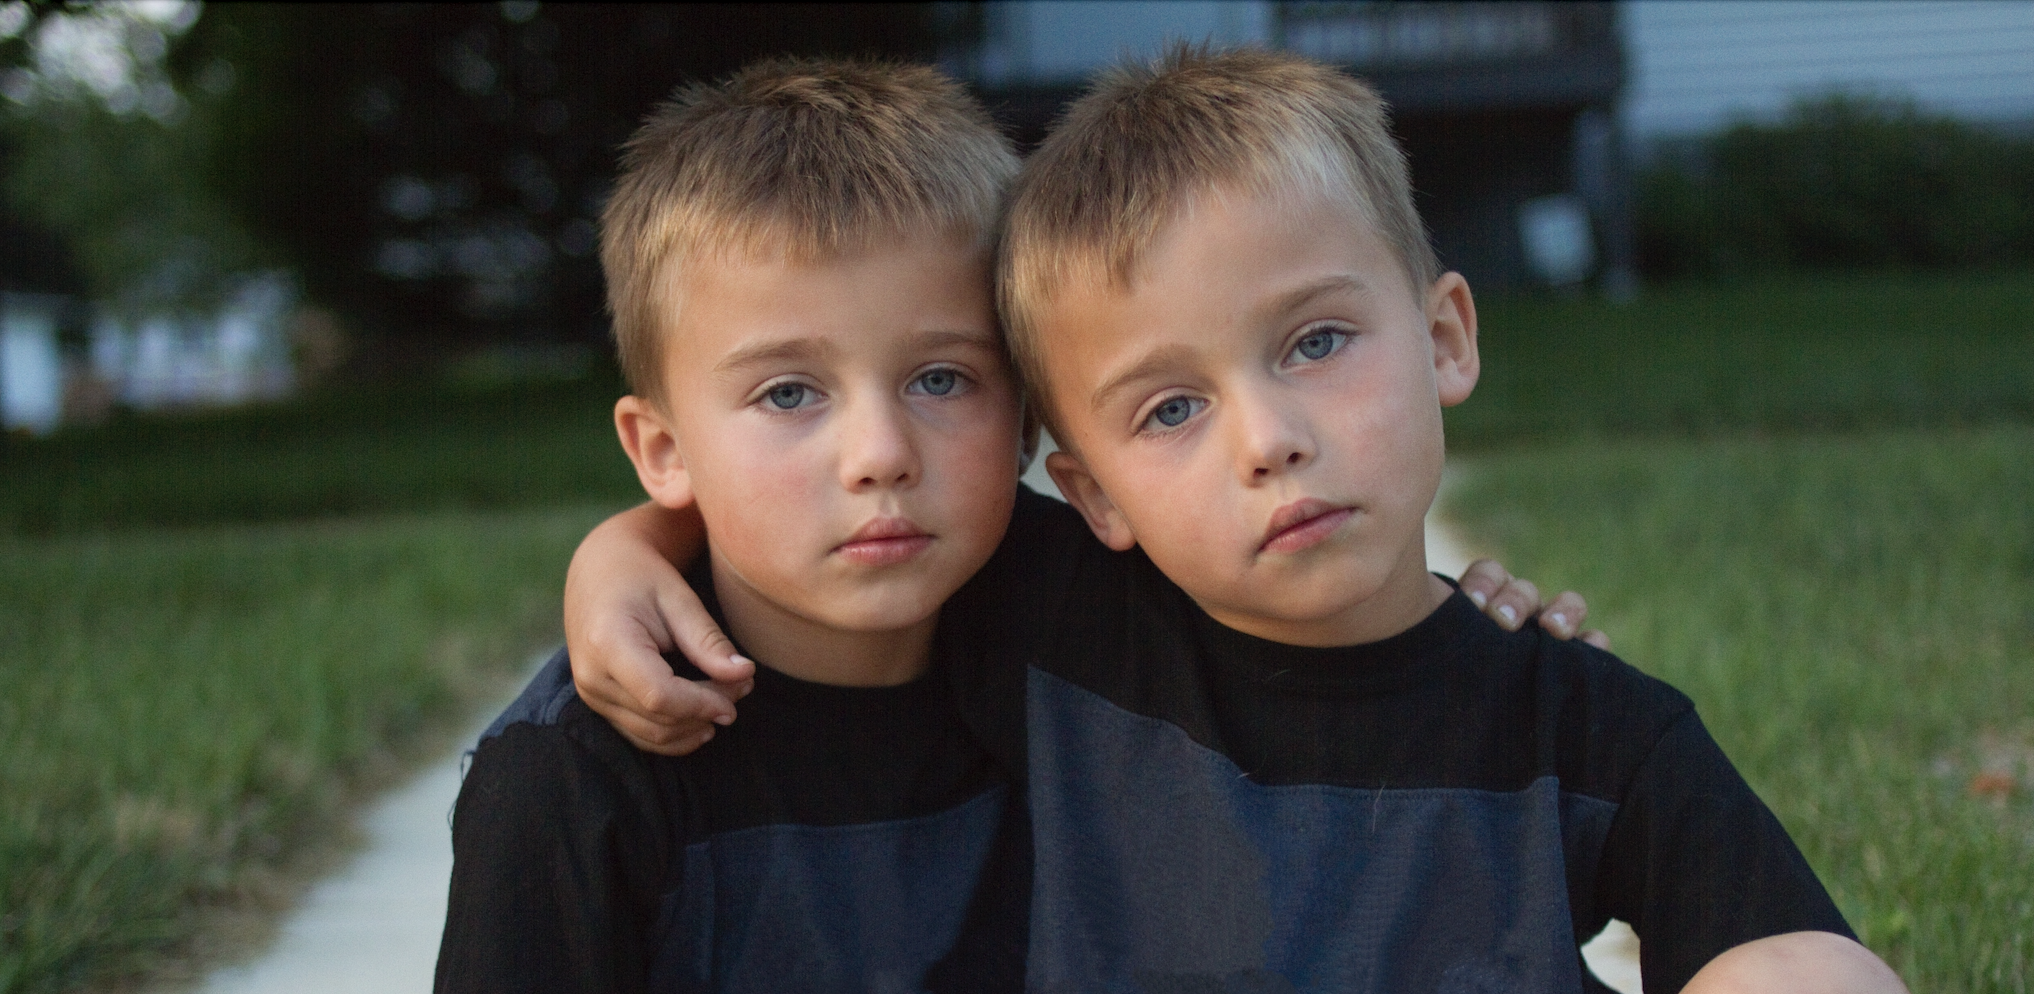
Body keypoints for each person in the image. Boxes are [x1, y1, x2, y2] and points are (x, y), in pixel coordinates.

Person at [557, 48, 1910, 994]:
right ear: (1084, 490)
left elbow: (1787, 947)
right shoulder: (1059, 630)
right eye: (1167, 412)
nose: (1268, 437)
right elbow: (810, 529)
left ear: (1443, 335)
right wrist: (622, 552)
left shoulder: (1587, 720)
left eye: (1316, 340)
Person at [434, 58, 1037, 992]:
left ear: (1027, 411)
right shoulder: (570, 786)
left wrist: (628, 543)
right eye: (788, 392)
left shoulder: (1095, 658)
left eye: (940, 378)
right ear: (663, 450)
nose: (879, 453)